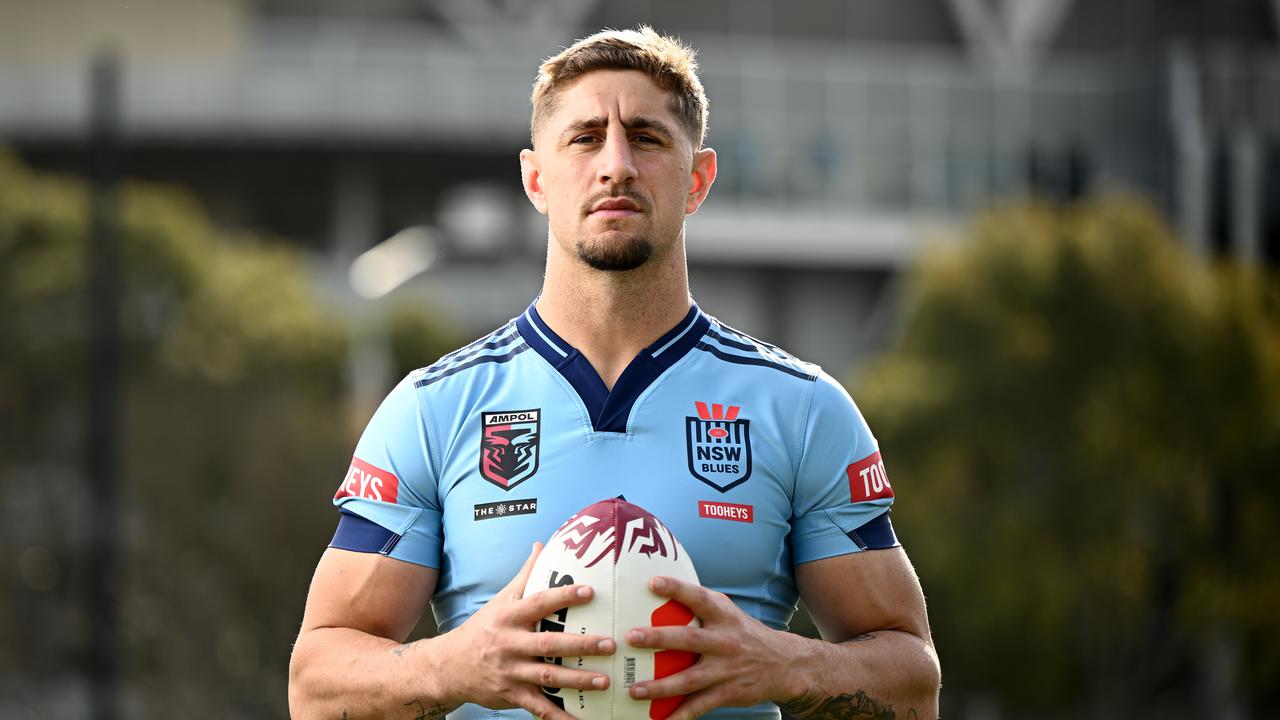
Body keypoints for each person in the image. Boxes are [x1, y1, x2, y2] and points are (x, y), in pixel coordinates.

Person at [289, 26, 940, 720]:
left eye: (648, 137)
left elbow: (913, 681)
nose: (617, 164)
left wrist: (784, 663)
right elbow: (315, 686)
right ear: (536, 178)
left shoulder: (801, 410)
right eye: (585, 136)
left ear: (698, 179)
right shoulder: (433, 410)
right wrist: (457, 665)